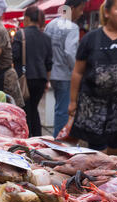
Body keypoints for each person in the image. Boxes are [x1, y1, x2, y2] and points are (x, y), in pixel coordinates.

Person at [68, 0, 117, 155]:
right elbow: (78, 72)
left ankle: (109, 169)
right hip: (93, 104)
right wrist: (73, 101)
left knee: (115, 146)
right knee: (96, 149)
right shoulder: (90, 38)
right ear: (107, 12)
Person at [44, 0, 86, 138]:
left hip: (52, 73)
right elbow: (70, 52)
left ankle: (58, 141)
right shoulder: (72, 27)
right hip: (65, 74)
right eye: (80, 9)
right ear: (72, 8)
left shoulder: (50, 25)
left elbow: (45, 50)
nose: (81, 13)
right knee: (63, 111)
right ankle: (59, 144)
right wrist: (76, 70)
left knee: (59, 109)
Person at [12, 6, 53, 137]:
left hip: (25, 78)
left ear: (27, 18)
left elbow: (14, 56)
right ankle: (37, 137)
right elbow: (49, 63)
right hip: (41, 79)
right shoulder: (46, 37)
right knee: (34, 108)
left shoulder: (20, 34)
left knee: (25, 110)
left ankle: (28, 137)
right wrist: (47, 81)